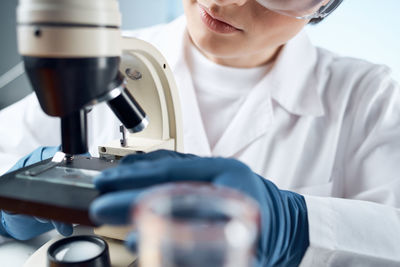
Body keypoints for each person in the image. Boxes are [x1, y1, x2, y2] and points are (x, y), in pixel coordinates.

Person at [0, 0, 400, 265]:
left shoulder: (371, 98)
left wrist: (298, 226)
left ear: (323, 7)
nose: (227, 0)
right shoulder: (99, 56)